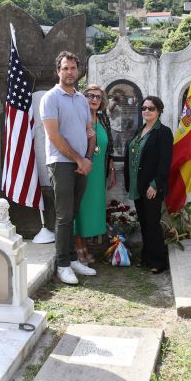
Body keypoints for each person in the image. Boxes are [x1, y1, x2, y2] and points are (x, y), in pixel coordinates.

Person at [40, 51, 97, 285]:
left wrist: (88, 158)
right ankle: (62, 264)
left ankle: (73, 259)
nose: (69, 72)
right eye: (65, 68)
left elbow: (89, 131)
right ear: (58, 71)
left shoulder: (82, 100)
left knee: (73, 212)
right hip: (61, 162)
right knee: (64, 215)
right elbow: (54, 136)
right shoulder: (51, 98)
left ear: (78, 71)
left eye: (73, 68)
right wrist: (78, 159)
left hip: (80, 163)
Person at [124, 96, 173, 273]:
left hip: (152, 186)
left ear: (159, 111)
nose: (146, 111)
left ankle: (158, 261)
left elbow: (164, 161)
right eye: (144, 108)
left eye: (151, 108)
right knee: (144, 222)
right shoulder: (140, 131)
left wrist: (155, 184)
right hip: (138, 185)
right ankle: (146, 257)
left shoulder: (163, 132)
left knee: (152, 223)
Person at [74, 84, 115, 264]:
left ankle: (87, 246)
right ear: (84, 98)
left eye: (98, 97)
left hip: (99, 173)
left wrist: (111, 169)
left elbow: (109, 146)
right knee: (80, 209)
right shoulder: (78, 119)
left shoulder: (103, 119)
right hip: (82, 170)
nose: (94, 100)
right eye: (90, 96)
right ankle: (78, 248)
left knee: (92, 210)